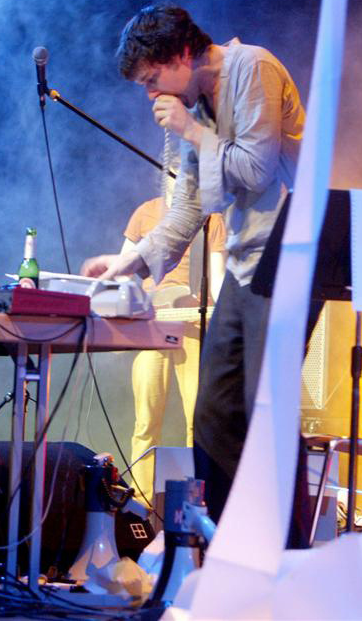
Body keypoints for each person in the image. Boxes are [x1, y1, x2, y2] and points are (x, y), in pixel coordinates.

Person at [81, 3, 311, 533]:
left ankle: (288, 554)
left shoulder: (252, 67)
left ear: (182, 52)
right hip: (246, 263)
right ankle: (228, 544)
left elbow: (256, 168)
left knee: (264, 408)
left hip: (289, 252)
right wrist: (131, 260)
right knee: (212, 411)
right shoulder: (192, 108)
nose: (151, 94)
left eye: (152, 78)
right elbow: (185, 204)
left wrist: (191, 129)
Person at [122, 175, 225, 509]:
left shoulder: (212, 218)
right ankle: (140, 501)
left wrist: (218, 314)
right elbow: (125, 271)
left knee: (198, 419)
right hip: (154, 328)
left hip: (192, 327)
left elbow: (219, 278)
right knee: (146, 419)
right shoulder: (146, 213)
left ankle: (197, 501)